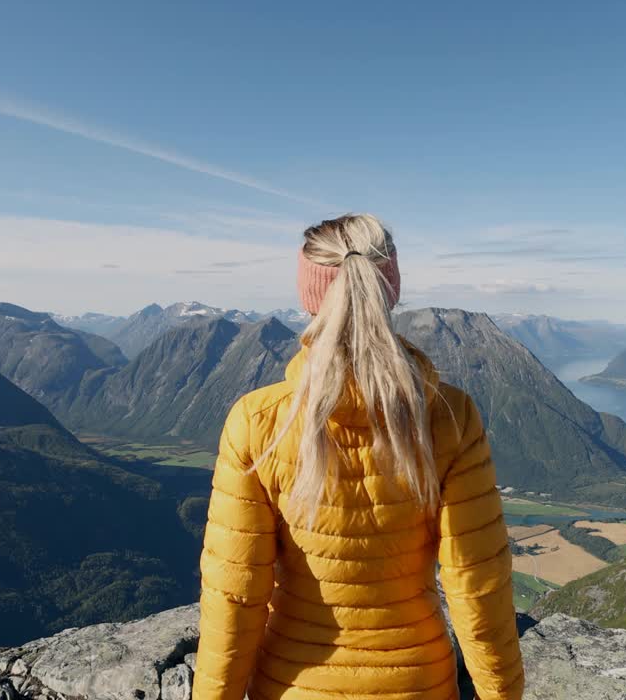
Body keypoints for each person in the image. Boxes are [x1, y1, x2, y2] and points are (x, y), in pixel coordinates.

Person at [191, 214, 523, 700]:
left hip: (292, 683)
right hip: (418, 683)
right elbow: (477, 585)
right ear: (391, 287)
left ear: (308, 297)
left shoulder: (258, 419)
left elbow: (234, 596)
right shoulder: (450, 417)